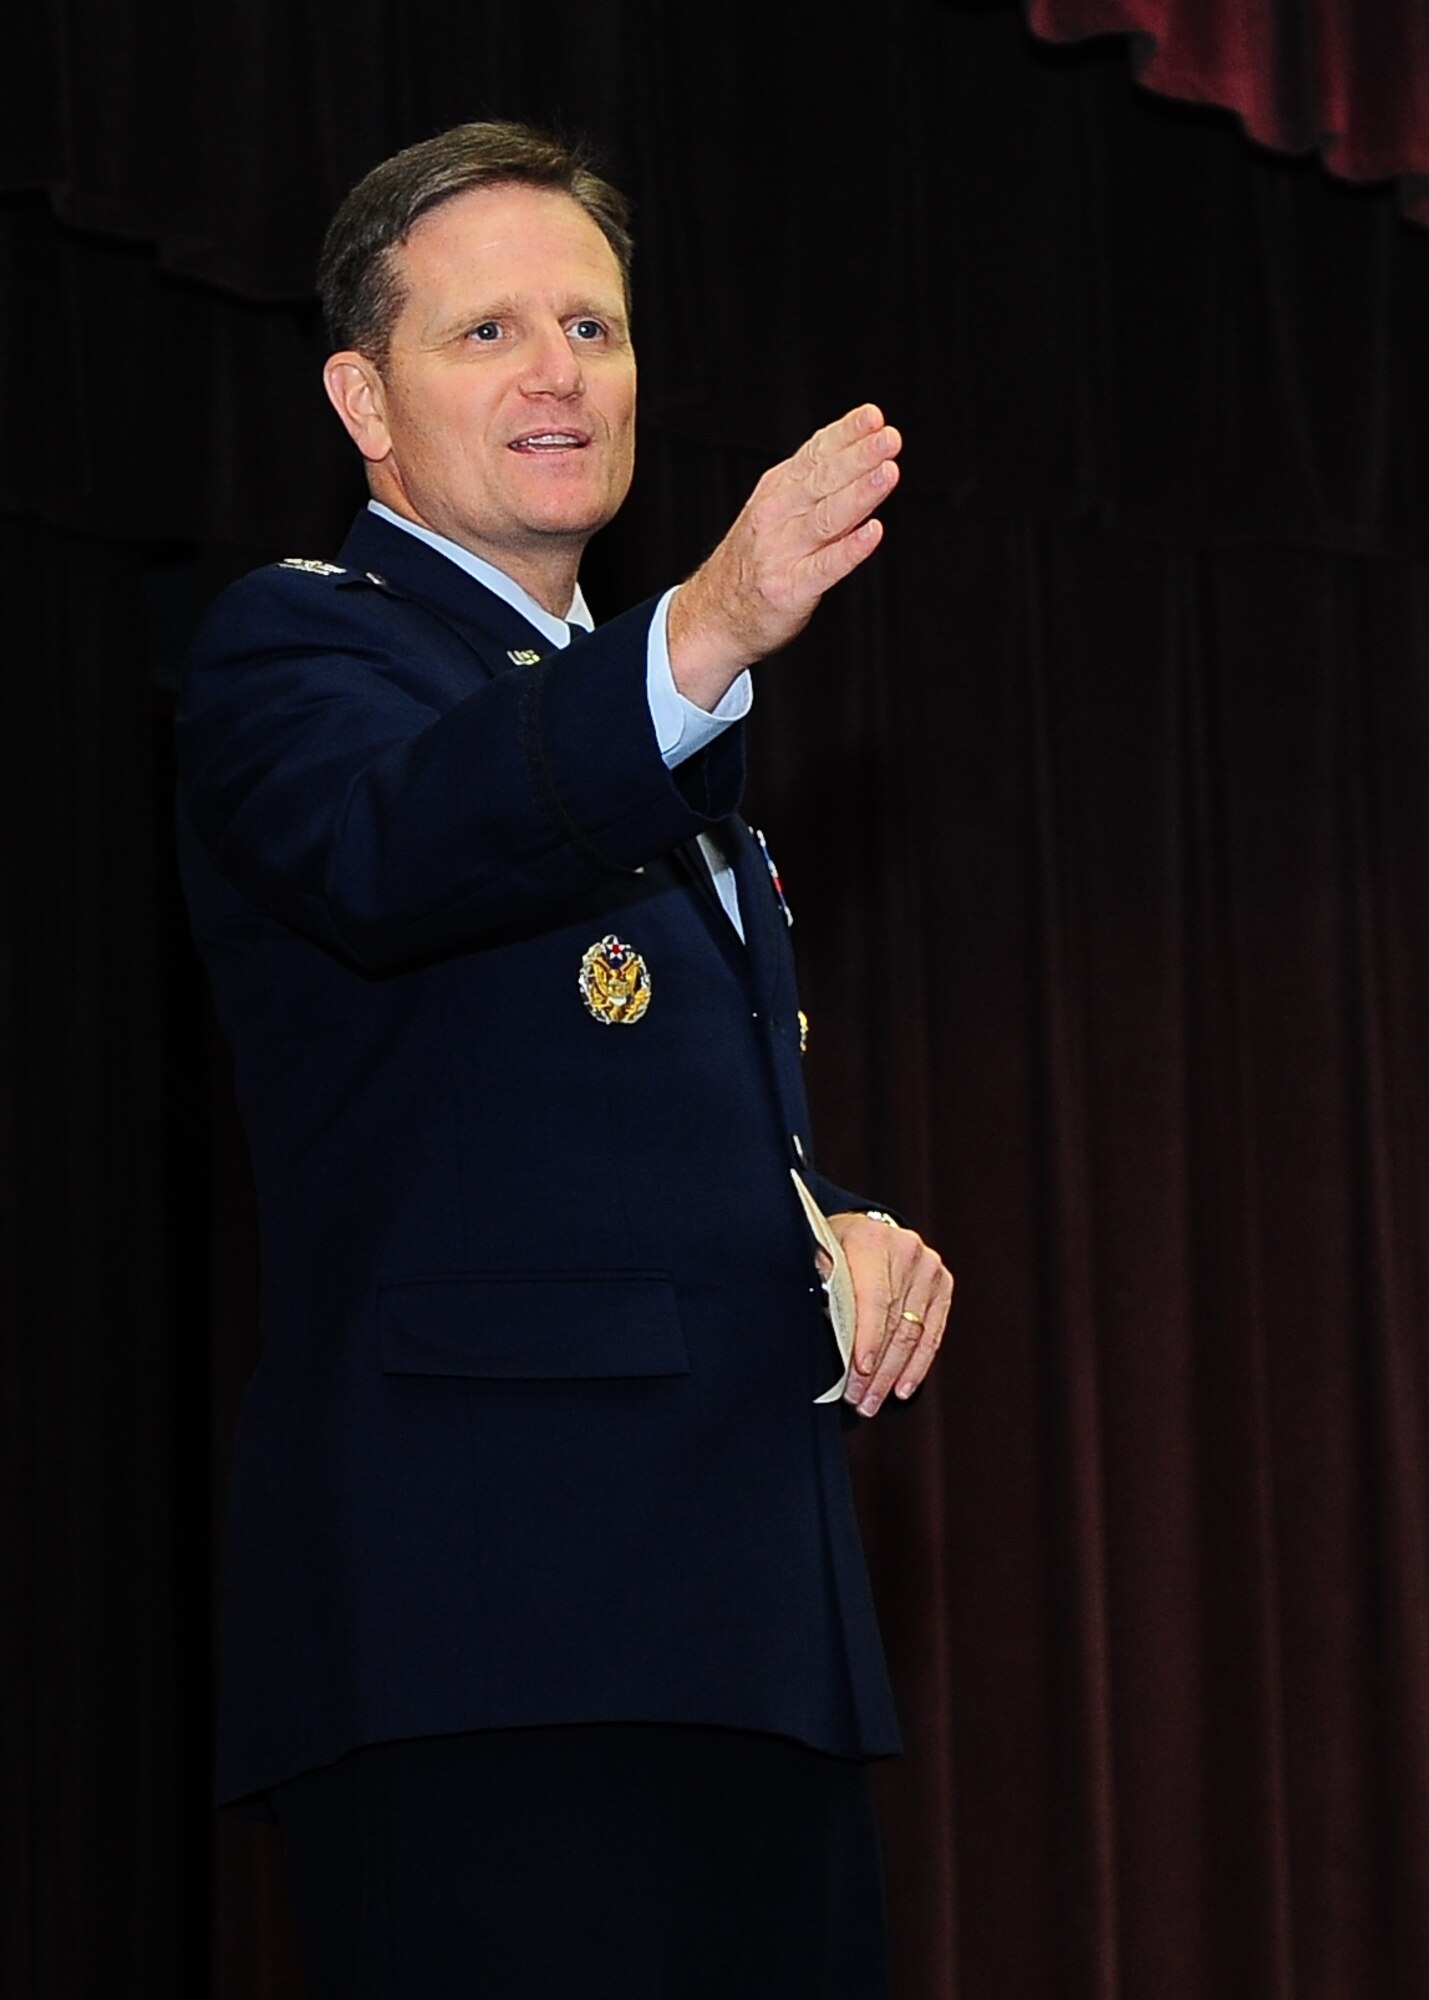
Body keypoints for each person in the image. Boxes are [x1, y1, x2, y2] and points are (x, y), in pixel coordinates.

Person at [176, 119, 953, 1998]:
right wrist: (700, 637)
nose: (558, 374)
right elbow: (395, 852)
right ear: (363, 396)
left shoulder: (643, 719)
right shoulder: (300, 650)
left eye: (592, 328)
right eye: (487, 333)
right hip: (490, 1626)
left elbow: (591, 1108)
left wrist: (831, 1223)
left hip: (742, 1612)